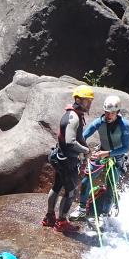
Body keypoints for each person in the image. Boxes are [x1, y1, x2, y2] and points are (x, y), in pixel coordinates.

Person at [42, 85, 93, 233]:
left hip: (61, 158)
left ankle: (50, 217)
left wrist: (84, 146)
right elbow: (70, 142)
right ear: (78, 100)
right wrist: (85, 150)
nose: (89, 104)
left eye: (90, 101)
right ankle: (61, 222)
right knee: (71, 192)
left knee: (57, 186)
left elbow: (77, 138)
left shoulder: (75, 115)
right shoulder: (73, 117)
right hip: (66, 160)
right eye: (86, 101)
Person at [76, 95, 129, 220]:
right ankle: (82, 209)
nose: (108, 115)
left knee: (111, 186)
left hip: (117, 157)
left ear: (117, 112)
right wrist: (83, 151)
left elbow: (125, 148)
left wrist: (107, 153)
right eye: (106, 112)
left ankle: (103, 215)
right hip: (101, 153)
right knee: (86, 180)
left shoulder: (124, 125)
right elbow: (83, 136)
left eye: (112, 113)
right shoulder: (99, 122)